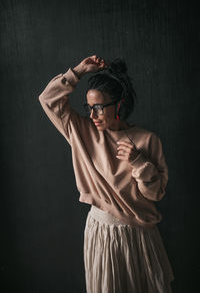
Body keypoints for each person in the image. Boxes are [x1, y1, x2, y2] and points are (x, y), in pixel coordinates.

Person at [38, 55, 175, 293]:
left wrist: (138, 162)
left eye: (99, 108)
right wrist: (78, 71)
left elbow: (154, 194)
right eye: (88, 108)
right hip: (102, 232)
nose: (91, 115)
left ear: (119, 105)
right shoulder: (81, 132)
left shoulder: (147, 140)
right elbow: (48, 99)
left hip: (139, 236)